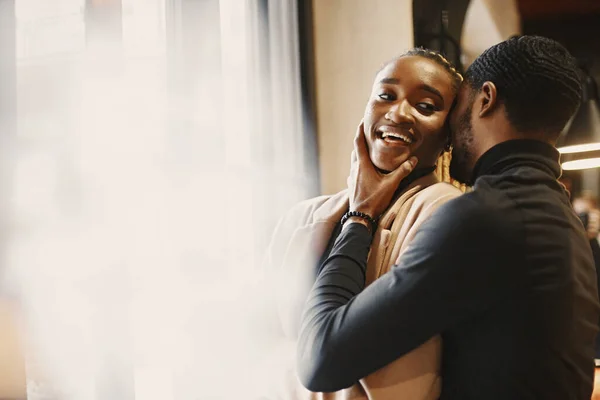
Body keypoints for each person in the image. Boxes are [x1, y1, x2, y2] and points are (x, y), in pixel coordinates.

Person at [296, 35, 600, 399]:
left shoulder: (483, 219)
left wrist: (360, 215)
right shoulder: (557, 215)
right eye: (386, 95)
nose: (452, 134)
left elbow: (322, 357)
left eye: (448, 106)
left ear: (485, 99)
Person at [262, 48, 463, 399]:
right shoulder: (301, 218)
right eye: (385, 96)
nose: (398, 113)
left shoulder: (443, 211)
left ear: (448, 137)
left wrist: (362, 215)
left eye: (426, 106)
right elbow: (265, 348)